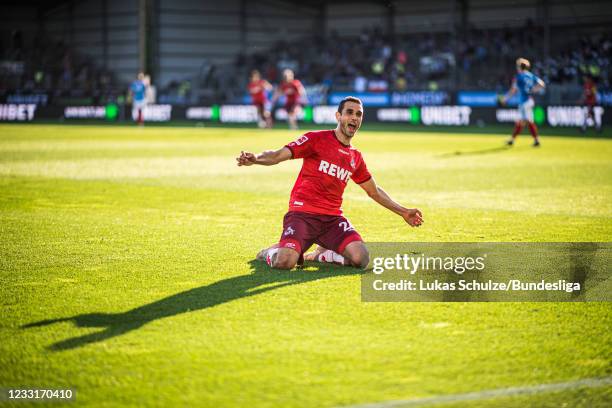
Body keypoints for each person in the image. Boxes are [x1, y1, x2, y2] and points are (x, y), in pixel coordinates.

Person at [236, 97, 423, 270]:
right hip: (302, 215)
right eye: (349, 112)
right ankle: (269, 252)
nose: (354, 118)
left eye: (359, 114)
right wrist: (256, 159)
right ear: (338, 116)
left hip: (332, 219)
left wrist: (403, 211)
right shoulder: (316, 139)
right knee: (285, 262)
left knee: (361, 258)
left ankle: (321, 255)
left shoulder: (355, 157)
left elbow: (374, 192)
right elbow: (277, 155)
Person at [501, 58, 545, 147]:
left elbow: (513, 90)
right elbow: (541, 84)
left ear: (519, 67)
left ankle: (535, 140)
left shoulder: (518, 77)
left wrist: (505, 98)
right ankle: (513, 140)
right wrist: (533, 90)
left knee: (526, 121)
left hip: (524, 102)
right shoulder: (531, 75)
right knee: (523, 121)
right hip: (530, 100)